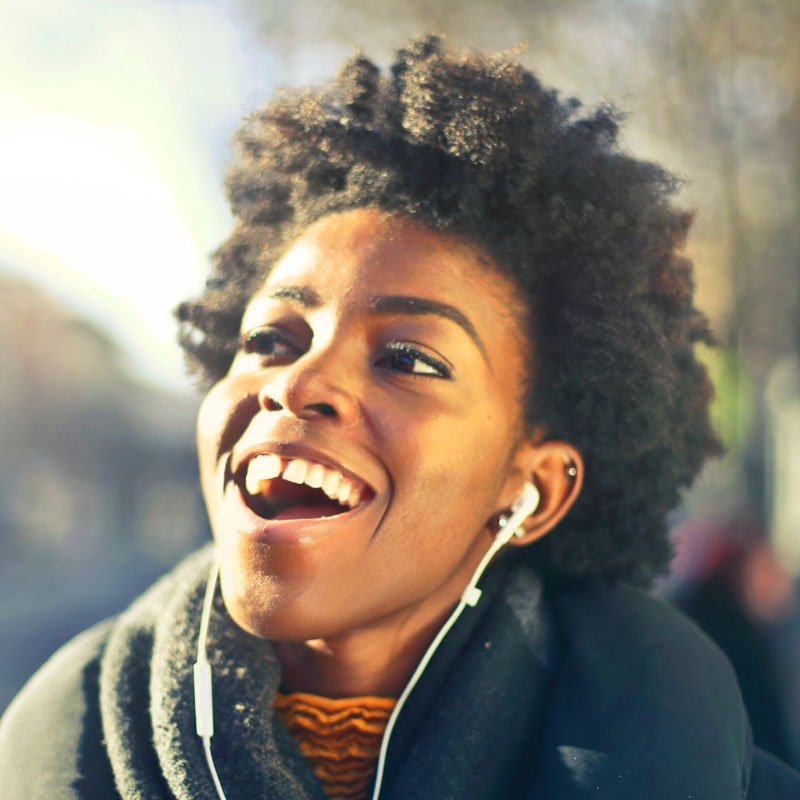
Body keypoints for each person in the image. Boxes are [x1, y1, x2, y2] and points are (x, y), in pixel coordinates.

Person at [1, 35, 799, 799]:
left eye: (410, 359)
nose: (299, 382)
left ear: (535, 490)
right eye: (270, 338)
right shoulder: (40, 762)